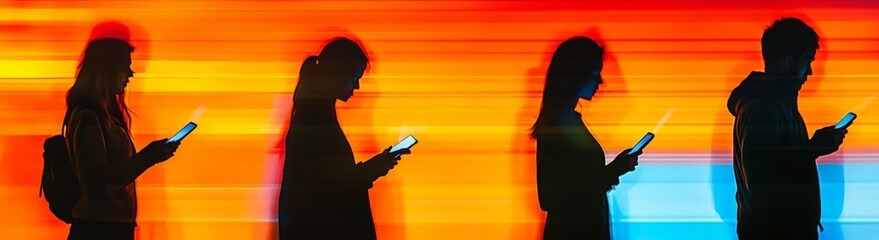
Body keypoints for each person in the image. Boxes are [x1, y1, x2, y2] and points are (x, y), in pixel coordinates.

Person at [727, 17, 848, 239]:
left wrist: (812, 148)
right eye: (807, 62)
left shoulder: (777, 104)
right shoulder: (762, 108)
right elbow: (763, 181)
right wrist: (813, 148)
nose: (809, 72)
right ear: (789, 62)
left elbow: (775, 165)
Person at [278, 37, 410, 240]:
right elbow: (337, 187)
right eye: (353, 78)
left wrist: (378, 165)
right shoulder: (316, 122)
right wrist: (377, 166)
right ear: (337, 74)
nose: (356, 86)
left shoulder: (314, 116)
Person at [65, 38, 180, 240]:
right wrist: (146, 158)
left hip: (108, 227)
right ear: (107, 70)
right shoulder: (88, 117)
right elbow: (96, 182)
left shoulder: (105, 116)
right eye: (125, 66)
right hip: (99, 230)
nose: (130, 74)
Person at [531, 36, 641, 240]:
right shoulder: (559, 124)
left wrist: (613, 170)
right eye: (594, 74)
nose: (600, 81)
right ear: (575, 76)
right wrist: (614, 170)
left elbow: (575, 183)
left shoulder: (565, 121)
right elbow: (551, 197)